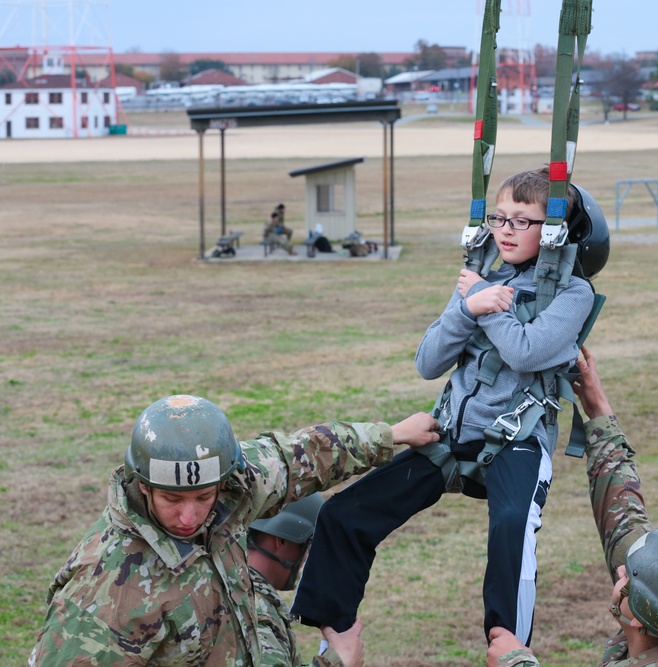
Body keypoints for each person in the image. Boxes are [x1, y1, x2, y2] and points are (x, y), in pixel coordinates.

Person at [293, 167, 610, 645]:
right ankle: (336, 630)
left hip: (516, 441)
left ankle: (507, 644)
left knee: (512, 528)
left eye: (523, 221)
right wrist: (467, 307)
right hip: (450, 436)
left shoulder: (573, 294)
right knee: (343, 514)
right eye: (500, 218)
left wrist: (485, 303)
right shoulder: (477, 278)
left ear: (555, 231)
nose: (505, 229)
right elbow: (428, 361)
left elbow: (526, 351)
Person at [29, 394, 439, 666]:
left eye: (203, 496)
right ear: (144, 485)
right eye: (172, 500)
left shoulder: (230, 493)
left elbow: (297, 457)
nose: (190, 517)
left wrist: (391, 435)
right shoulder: (105, 595)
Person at [486, 346, 658, 667]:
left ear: (641, 619)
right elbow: (625, 519)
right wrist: (600, 414)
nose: (619, 571)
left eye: (627, 578)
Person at [249, 493, 365, 667]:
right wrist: (339, 661)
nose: (307, 556)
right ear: (280, 540)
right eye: (307, 543)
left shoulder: (229, 588)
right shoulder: (253, 612)